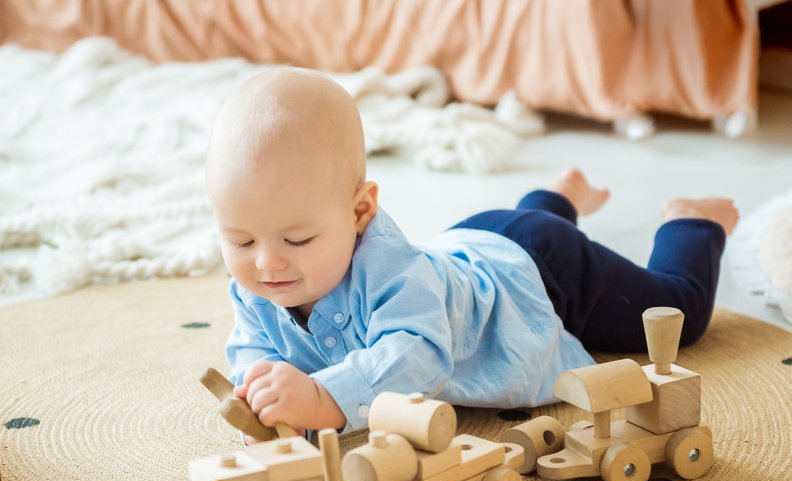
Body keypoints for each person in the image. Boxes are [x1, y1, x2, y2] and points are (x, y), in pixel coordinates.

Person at [204, 68, 738, 437]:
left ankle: (692, 221)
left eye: (297, 240)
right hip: (483, 243)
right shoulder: (260, 286)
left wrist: (323, 400)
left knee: (678, 316)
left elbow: (419, 356)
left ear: (361, 212)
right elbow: (254, 350)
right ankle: (560, 194)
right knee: (533, 224)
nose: (267, 263)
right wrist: (263, 391)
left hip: (545, 275)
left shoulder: (396, 275)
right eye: (241, 241)